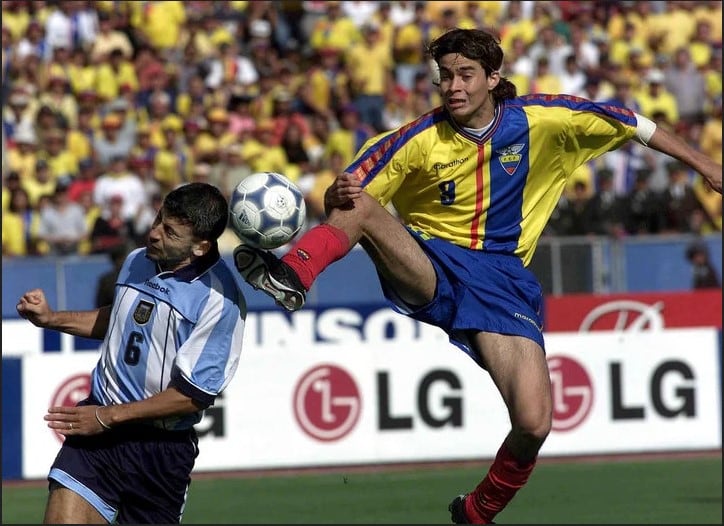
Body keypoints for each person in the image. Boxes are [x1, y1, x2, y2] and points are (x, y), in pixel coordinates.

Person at [233, 28, 723, 524]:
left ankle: (477, 510)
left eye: (465, 75)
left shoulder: (542, 120)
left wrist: (705, 164)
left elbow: (631, 121)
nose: (453, 87)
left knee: (534, 422)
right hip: (432, 264)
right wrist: (340, 191)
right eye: (445, 76)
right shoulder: (415, 140)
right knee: (362, 204)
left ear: (493, 77)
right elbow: (348, 193)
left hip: (504, 281)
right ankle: (292, 275)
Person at [16, 182, 247, 524]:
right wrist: (51, 319)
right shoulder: (137, 260)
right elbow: (119, 319)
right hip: (96, 442)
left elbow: (191, 397)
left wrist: (107, 418)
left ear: (200, 246)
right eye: (158, 219)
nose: (154, 233)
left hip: (160, 454)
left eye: (169, 231)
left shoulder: (219, 301)